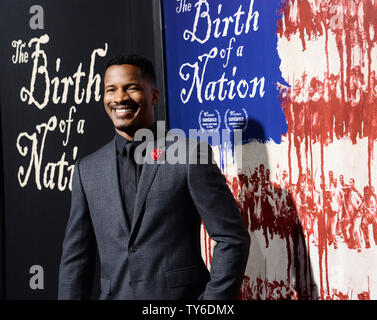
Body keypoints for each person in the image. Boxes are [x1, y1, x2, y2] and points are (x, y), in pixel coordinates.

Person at [58, 54, 250, 300]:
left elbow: (232, 239)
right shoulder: (88, 169)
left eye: (131, 88)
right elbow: (76, 258)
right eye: (111, 90)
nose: (119, 98)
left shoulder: (190, 155)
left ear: (154, 96)